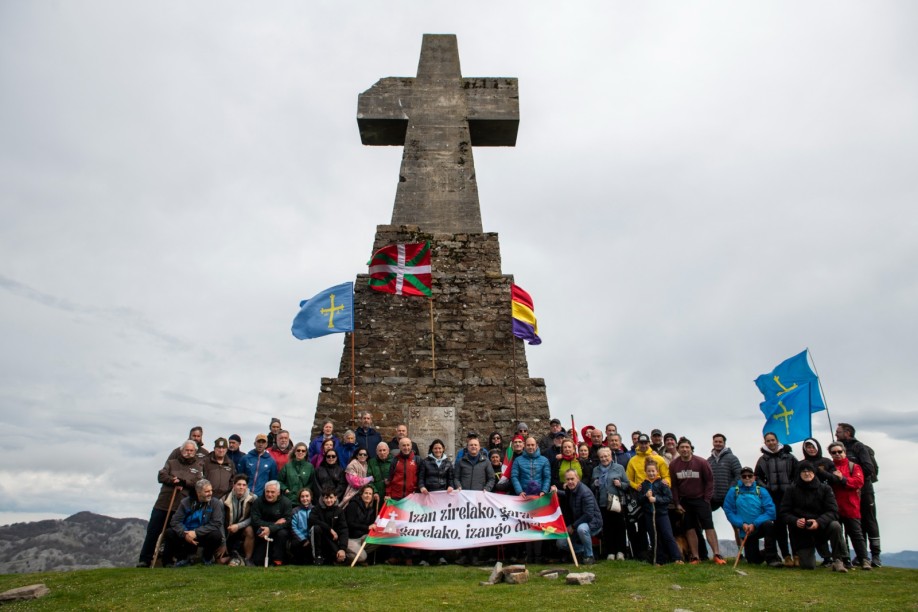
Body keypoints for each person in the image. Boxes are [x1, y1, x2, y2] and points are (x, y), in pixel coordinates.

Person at [136, 440, 205, 568]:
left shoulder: (198, 467)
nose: (188, 452)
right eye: (186, 450)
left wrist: (183, 482)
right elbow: (161, 476)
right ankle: (145, 560)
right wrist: (173, 481)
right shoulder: (171, 463)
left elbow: (198, 483)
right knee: (153, 532)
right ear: (182, 450)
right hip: (163, 503)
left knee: (172, 534)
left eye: (191, 451)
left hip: (181, 506)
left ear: (195, 452)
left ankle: (167, 561)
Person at [779, 462, 849, 572]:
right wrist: (795, 521)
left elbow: (833, 512)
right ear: (799, 473)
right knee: (808, 566)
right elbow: (784, 513)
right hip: (801, 532)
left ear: (814, 473)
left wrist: (818, 522)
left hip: (821, 528)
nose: (807, 474)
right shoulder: (791, 490)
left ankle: (838, 560)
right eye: (804, 471)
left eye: (810, 471)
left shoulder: (825, 489)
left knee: (835, 526)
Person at [669, 437, 727, 565]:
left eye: (687, 447)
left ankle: (717, 554)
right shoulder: (674, 465)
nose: (684, 449)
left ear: (691, 449)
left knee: (709, 526)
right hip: (685, 501)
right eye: (682, 447)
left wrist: (706, 499)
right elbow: (674, 486)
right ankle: (695, 557)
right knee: (689, 528)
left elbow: (710, 481)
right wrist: (677, 503)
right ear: (678, 449)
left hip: (701, 500)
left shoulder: (701, 462)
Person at [836, 422, 881, 567]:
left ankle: (876, 556)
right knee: (856, 522)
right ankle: (862, 555)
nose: (836, 434)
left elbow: (868, 468)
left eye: (839, 432)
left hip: (864, 490)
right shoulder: (841, 449)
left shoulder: (859, 447)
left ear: (847, 433)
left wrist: (856, 481)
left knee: (869, 520)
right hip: (849, 492)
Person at [723, 466, 783, 567]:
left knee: (769, 525)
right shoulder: (733, 491)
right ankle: (765, 553)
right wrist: (742, 524)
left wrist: (755, 524)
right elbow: (729, 511)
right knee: (753, 560)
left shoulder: (762, 491)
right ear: (740, 478)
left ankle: (772, 558)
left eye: (749, 476)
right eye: (744, 476)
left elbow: (770, 511)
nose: (747, 478)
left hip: (760, 526)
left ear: (754, 477)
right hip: (746, 530)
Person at [825, 442, 871, 570]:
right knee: (837, 535)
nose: (837, 454)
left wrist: (843, 479)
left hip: (851, 506)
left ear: (844, 452)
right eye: (834, 452)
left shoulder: (854, 466)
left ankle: (864, 559)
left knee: (856, 535)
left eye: (839, 451)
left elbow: (859, 482)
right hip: (834, 506)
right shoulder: (829, 467)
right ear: (830, 454)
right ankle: (842, 559)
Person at [754, 431, 798, 566]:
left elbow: (797, 474)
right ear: (765, 443)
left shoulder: (789, 457)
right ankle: (786, 555)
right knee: (779, 527)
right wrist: (766, 487)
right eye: (768, 441)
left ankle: (796, 555)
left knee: (793, 526)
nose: (771, 443)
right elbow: (757, 477)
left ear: (777, 441)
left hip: (789, 496)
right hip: (773, 497)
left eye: (773, 440)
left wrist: (792, 486)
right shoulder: (762, 459)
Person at [511, 437, 554, 564]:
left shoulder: (544, 460)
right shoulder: (518, 460)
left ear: (536, 446)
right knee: (527, 527)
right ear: (525, 446)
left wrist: (544, 491)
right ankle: (529, 556)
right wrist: (519, 491)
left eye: (532, 445)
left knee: (538, 527)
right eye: (528, 445)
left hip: (539, 498)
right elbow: (514, 476)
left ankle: (538, 556)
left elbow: (547, 477)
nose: (530, 447)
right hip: (524, 498)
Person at [164, 479, 224, 567]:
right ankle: (179, 559)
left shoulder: (215, 503)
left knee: (216, 535)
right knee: (169, 532)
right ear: (198, 492)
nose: (210, 493)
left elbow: (216, 523)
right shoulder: (185, 502)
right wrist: (185, 534)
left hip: (202, 534)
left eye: (211, 490)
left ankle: (207, 558)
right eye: (207, 491)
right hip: (186, 534)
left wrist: (196, 532)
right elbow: (175, 521)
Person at [384, 437, 420, 566]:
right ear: (399, 447)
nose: (406, 447)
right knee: (394, 528)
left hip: (410, 498)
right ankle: (395, 556)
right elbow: (389, 479)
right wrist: (388, 494)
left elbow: (420, 478)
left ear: (411, 446)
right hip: (396, 499)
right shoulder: (395, 460)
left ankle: (408, 556)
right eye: (403, 445)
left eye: (408, 445)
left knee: (408, 529)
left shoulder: (417, 460)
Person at [640, 459, 683, 565]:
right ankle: (659, 560)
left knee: (667, 535)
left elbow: (668, 498)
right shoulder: (643, 485)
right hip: (649, 515)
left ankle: (677, 558)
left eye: (653, 471)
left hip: (662, 514)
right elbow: (639, 500)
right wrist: (645, 496)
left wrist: (656, 499)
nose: (651, 473)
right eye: (649, 471)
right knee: (654, 537)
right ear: (645, 472)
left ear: (657, 471)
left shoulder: (662, 484)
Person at [557, 469, 602, 564]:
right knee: (561, 543)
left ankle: (589, 556)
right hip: (578, 523)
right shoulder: (571, 490)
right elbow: (566, 495)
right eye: (568, 479)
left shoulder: (585, 492)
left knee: (582, 529)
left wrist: (573, 526)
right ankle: (585, 550)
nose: (570, 481)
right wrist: (557, 491)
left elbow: (588, 515)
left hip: (593, 523)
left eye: (572, 479)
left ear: (578, 478)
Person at [592, 446, 629, 561]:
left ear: (610, 456)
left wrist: (620, 484)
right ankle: (610, 552)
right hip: (603, 503)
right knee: (607, 528)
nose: (604, 459)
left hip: (616, 502)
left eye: (606, 456)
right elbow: (592, 486)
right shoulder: (596, 470)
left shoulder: (619, 468)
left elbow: (627, 484)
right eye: (601, 457)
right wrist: (595, 484)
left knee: (619, 527)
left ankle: (621, 551)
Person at [251, 480, 293, 566]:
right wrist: (273, 525)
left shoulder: (286, 502)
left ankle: (278, 560)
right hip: (262, 531)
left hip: (279, 532)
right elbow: (255, 520)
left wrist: (271, 528)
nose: (269, 494)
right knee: (258, 562)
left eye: (272, 492)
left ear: (278, 492)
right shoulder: (258, 502)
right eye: (267, 491)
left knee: (282, 533)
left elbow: (287, 522)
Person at [223, 473, 256, 566]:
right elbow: (220, 520)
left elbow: (253, 518)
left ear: (247, 487)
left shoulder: (253, 498)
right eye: (239, 484)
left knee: (250, 530)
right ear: (234, 485)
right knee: (221, 561)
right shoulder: (224, 499)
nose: (241, 487)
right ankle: (232, 556)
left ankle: (248, 559)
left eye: (244, 485)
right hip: (227, 529)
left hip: (243, 528)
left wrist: (238, 526)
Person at [312, 488, 349, 565]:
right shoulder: (316, 509)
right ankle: (318, 556)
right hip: (320, 539)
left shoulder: (339, 511)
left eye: (331, 497)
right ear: (323, 498)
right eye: (326, 498)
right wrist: (329, 529)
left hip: (333, 540)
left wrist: (342, 548)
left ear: (335, 498)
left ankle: (334, 557)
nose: (329, 500)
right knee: (316, 528)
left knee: (342, 559)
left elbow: (343, 529)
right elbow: (312, 520)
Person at [707, 433, 742, 512]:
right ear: (713, 443)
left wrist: (730, 489)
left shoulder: (732, 458)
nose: (718, 444)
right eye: (716, 441)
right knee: (704, 517)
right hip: (713, 497)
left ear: (724, 443)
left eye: (720, 442)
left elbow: (739, 475)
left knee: (734, 517)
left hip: (728, 497)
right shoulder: (709, 460)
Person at [345, 484, 378, 566]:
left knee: (378, 539)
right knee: (363, 557)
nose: (368, 495)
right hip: (350, 539)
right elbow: (350, 523)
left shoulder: (370, 509)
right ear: (361, 494)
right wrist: (367, 527)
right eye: (366, 493)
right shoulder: (353, 505)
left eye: (370, 494)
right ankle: (342, 557)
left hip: (362, 538)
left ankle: (358, 556)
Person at [290, 488, 317, 565]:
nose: (305, 498)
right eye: (302, 496)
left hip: (312, 539)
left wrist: (310, 539)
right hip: (300, 539)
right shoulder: (295, 511)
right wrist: (303, 540)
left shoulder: (315, 510)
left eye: (307, 496)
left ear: (311, 497)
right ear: (299, 498)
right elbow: (293, 527)